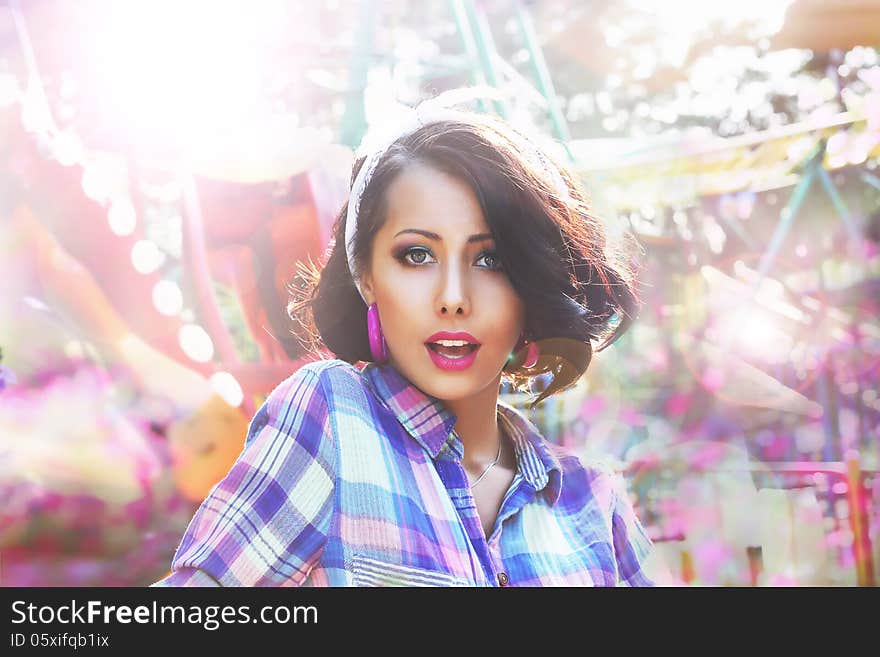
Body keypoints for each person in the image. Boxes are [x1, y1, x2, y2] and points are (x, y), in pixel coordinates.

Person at [152, 90, 656, 587]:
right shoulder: (334, 418)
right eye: (416, 255)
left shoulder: (592, 502)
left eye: (491, 260)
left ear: (529, 284)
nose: (453, 298)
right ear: (366, 276)